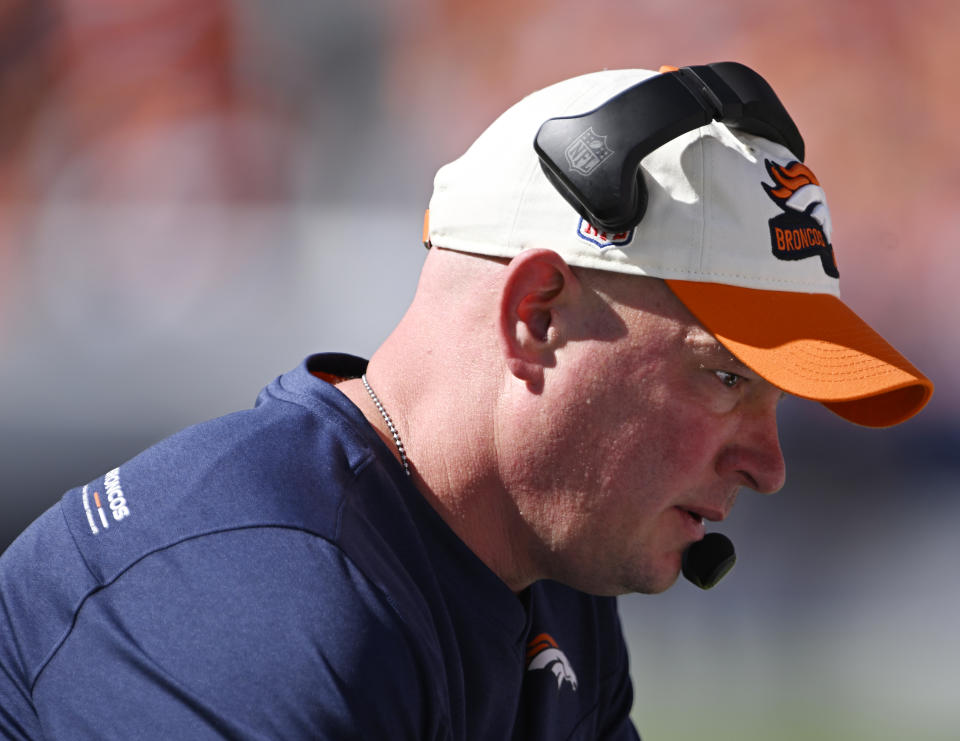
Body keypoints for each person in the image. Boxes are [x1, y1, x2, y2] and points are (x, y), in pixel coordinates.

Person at [0, 63, 932, 739]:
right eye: (728, 377)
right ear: (536, 317)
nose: (769, 466)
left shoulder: (552, 575)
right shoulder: (249, 601)